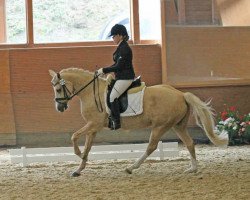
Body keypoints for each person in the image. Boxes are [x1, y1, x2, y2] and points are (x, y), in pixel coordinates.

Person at [96, 24, 136, 130]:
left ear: (120, 35)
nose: (112, 38)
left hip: (126, 78)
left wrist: (104, 70)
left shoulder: (125, 48)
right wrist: (103, 70)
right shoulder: (120, 47)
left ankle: (116, 122)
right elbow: (115, 65)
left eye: (114, 36)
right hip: (120, 77)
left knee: (113, 96)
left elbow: (118, 66)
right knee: (109, 92)